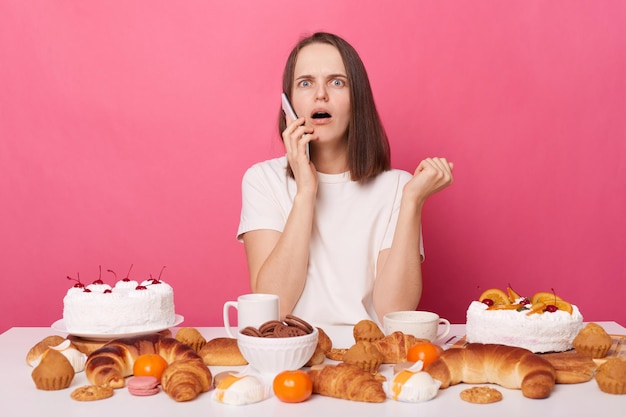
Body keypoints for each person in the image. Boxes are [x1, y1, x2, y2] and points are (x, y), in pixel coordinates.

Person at [237, 32, 453, 327]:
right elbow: (273, 306)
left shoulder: (398, 188)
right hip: (291, 357)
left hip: (372, 360)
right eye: (305, 83)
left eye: (337, 82)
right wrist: (305, 192)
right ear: (288, 104)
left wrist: (412, 201)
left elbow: (395, 311)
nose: (320, 95)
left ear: (357, 100)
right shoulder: (262, 180)